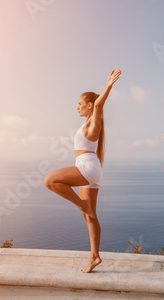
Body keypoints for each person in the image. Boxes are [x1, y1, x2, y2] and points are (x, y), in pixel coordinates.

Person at [44, 69, 121, 273]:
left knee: (50, 181)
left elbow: (98, 104)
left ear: (89, 105)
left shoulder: (94, 123)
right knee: (91, 217)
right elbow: (95, 105)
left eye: (80, 103)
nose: (77, 106)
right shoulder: (86, 124)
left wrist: (108, 86)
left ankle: (82, 205)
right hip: (91, 169)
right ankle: (94, 257)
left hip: (86, 168)